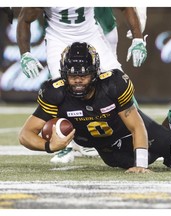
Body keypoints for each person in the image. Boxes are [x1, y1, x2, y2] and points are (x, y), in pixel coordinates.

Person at [18, 42, 171, 173]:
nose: (78, 81)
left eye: (84, 75)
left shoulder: (112, 85)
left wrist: (141, 165)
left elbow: (136, 126)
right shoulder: (55, 94)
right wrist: (49, 146)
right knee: (128, 161)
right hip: (107, 148)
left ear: (95, 73)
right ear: (64, 74)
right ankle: (158, 152)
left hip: (130, 130)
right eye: (73, 76)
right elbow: (25, 134)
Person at [17, 7, 147, 163]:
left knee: (119, 83)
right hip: (58, 39)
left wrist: (138, 39)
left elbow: (125, 6)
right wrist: (25, 54)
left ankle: (141, 136)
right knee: (61, 90)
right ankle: (64, 143)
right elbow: (24, 18)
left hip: (91, 35)